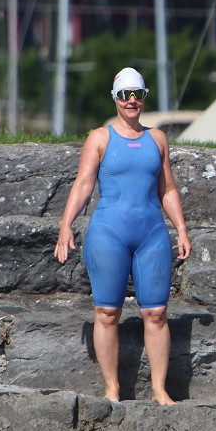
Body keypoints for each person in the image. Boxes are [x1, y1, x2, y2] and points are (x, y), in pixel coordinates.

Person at [54, 67, 192, 405]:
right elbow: (84, 183)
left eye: (137, 95)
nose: (131, 101)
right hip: (109, 233)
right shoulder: (99, 138)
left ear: (144, 97)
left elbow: (167, 188)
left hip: (151, 233)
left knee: (156, 313)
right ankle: (112, 388)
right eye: (124, 95)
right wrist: (65, 224)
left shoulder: (157, 138)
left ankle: (160, 389)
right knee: (107, 313)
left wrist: (182, 229)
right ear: (115, 98)